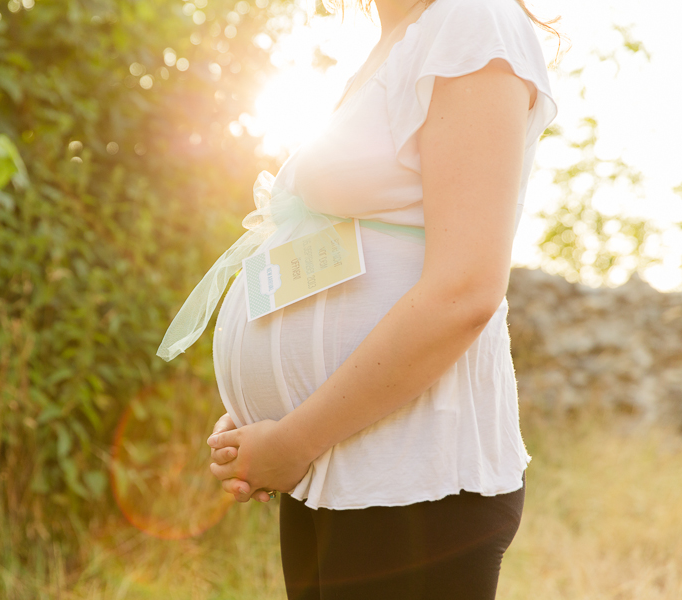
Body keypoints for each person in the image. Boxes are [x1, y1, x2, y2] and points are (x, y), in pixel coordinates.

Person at [158, 0, 560, 597]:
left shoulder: (473, 21)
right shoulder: (392, 42)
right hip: (336, 466)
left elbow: (465, 291)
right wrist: (271, 412)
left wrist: (293, 440)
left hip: (411, 481)